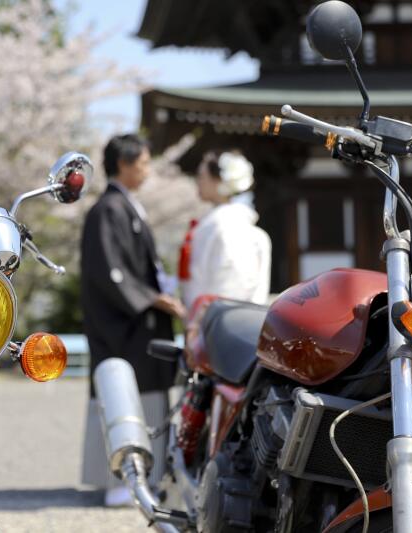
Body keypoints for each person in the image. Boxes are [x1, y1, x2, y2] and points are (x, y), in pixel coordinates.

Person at [80, 133, 184, 506]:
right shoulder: (108, 210)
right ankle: (120, 480)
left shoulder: (124, 206)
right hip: (122, 327)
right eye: (142, 163)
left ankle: (143, 476)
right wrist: (154, 299)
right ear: (122, 164)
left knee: (145, 396)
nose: (146, 170)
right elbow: (110, 273)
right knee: (124, 395)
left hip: (138, 321)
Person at [179, 151, 272, 311]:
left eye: (202, 176)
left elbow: (231, 286)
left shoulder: (224, 225)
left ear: (218, 181)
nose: (198, 182)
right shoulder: (234, 225)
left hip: (218, 318)